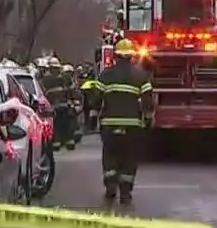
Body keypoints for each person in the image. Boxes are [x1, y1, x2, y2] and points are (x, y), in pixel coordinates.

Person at [86, 38, 154, 204]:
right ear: (131, 56)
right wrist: (148, 119)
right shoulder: (141, 75)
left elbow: (96, 99)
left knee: (110, 155)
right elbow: (147, 101)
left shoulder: (106, 75)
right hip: (132, 126)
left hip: (109, 125)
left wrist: (93, 118)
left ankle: (110, 187)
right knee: (129, 158)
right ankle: (125, 193)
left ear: (115, 56)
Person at [41, 58, 76, 150]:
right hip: (61, 105)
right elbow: (72, 90)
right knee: (64, 123)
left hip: (57, 106)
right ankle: (66, 141)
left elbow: (43, 93)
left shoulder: (46, 79)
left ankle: (59, 142)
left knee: (59, 124)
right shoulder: (65, 77)